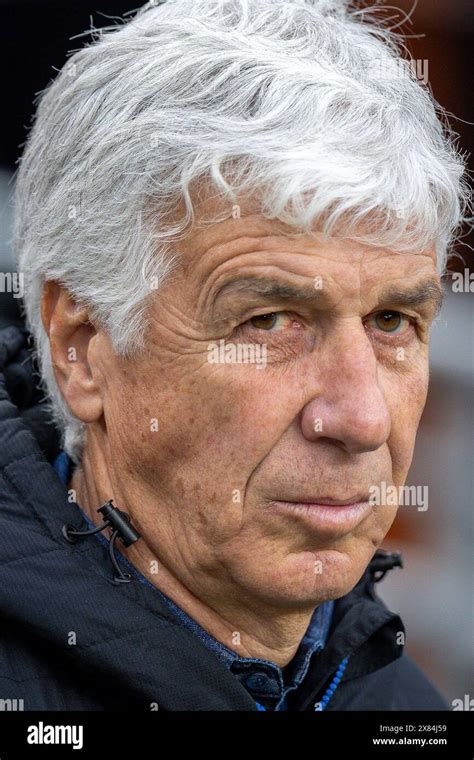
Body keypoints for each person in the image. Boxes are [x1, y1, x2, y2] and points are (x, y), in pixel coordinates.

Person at [0, 0, 467, 710]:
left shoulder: (402, 707)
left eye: (393, 320)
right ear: (83, 348)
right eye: (271, 319)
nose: (363, 418)